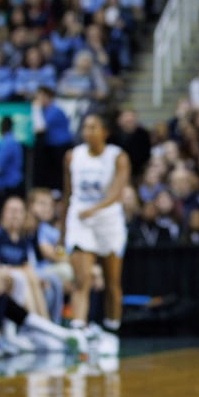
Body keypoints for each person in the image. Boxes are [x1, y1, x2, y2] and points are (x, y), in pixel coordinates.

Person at [64, 113, 128, 350]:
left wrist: (96, 208)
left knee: (112, 282)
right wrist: (62, 235)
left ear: (105, 131)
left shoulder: (118, 157)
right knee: (82, 279)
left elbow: (116, 193)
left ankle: (112, 327)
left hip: (108, 219)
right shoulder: (73, 156)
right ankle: (78, 329)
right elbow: (67, 193)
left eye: (93, 127)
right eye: (85, 127)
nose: (88, 131)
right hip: (80, 218)